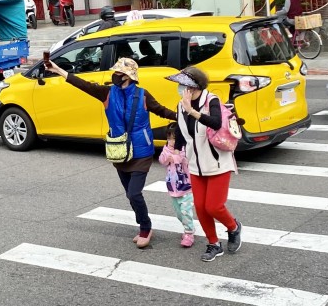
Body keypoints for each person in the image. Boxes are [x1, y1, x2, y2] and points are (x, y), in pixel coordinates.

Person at [43, 56, 175, 248]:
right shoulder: (107, 93)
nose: (115, 75)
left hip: (141, 151)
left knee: (134, 193)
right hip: (119, 151)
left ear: (128, 76)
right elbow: (82, 85)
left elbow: (162, 111)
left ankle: (146, 227)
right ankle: (143, 224)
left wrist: (184, 116)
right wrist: (58, 70)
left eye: (119, 73)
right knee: (130, 194)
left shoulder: (142, 95)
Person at [166, 66, 241, 262]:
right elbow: (182, 132)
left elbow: (216, 122)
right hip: (194, 165)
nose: (180, 88)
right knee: (200, 207)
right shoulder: (181, 105)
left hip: (217, 163)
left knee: (214, 207)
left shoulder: (211, 100)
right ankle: (214, 244)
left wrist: (193, 111)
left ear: (193, 87)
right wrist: (175, 152)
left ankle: (233, 227)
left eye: (183, 85)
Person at [158, 122, 196, 248]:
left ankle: (189, 233)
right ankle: (187, 227)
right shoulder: (166, 148)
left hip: (186, 187)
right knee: (179, 213)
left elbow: (183, 159)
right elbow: (162, 160)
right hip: (173, 187)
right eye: (169, 138)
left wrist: (174, 156)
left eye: (174, 138)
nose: (171, 141)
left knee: (186, 212)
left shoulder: (185, 148)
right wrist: (167, 155)